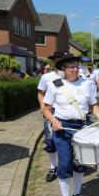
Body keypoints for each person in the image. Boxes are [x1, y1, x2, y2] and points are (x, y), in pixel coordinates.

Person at [42, 54, 99, 196]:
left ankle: (77, 195)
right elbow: (46, 109)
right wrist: (53, 121)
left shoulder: (87, 84)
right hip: (62, 128)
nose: (75, 69)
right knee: (64, 164)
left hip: (81, 128)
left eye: (76, 66)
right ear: (64, 69)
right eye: (71, 67)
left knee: (80, 164)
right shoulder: (55, 85)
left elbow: (93, 106)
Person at [37, 50, 65, 182]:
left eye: (61, 59)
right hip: (51, 111)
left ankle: (70, 164)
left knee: (69, 139)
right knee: (50, 140)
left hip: (66, 112)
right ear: (53, 61)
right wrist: (43, 107)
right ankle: (53, 167)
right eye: (56, 59)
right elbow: (40, 93)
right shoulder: (46, 77)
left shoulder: (69, 75)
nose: (58, 61)